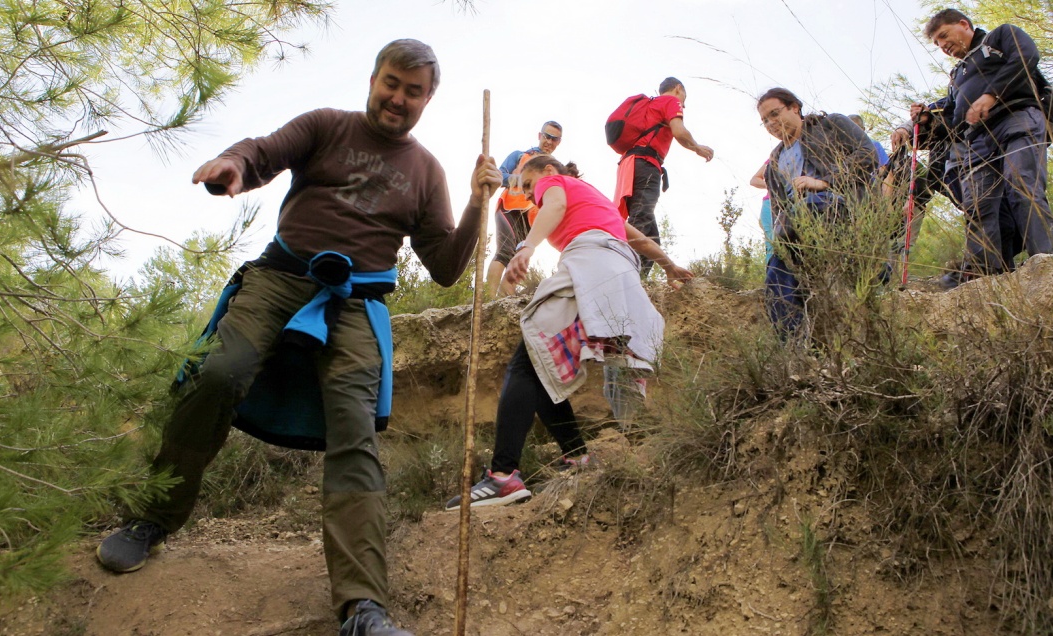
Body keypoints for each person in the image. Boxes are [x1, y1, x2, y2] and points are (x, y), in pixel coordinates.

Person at [95, 39, 502, 636]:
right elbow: (263, 151)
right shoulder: (326, 127)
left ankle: (363, 608)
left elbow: (443, 267)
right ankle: (153, 520)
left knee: (353, 427)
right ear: (373, 78)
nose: (399, 98)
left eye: (414, 91)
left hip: (357, 302)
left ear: (428, 99)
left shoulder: (426, 171)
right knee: (218, 373)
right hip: (280, 277)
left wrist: (475, 202)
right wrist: (234, 164)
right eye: (392, 82)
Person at [446, 156, 693, 509]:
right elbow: (637, 239)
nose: (533, 198)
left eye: (530, 187)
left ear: (548, 172)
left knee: (528, 357)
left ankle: (502, 477)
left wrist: (526, 247)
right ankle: (577, 457)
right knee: (544, 367)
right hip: (622, 281)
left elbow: (555, 204)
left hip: (590, 266)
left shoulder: (555, 183)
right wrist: (670, 267)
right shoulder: (597, 201)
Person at [903, 8, 1053, 289]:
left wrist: (991, 95)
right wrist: (927, 118)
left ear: (964, 24)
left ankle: (1047, 261)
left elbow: (1026, 57)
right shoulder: (957, 75)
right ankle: (985, 275)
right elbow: (952, 118)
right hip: (976, 140)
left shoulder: (1000, 37)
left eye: (944, 36)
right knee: (978, 205)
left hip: (1016, 116)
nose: (944, 47)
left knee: (1022, 184)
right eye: (938, 45)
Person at [756, 87, 879, 340]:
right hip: (796, 228)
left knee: (811, 204)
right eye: (765, 120)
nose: (770, 123)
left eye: (774, 113)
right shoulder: (775, 161)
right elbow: (779, 208)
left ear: (794, 108)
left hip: (839, 208)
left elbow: (868, 154)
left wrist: (825, 182)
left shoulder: (831, 125)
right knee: (775, 278)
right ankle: (796, 351)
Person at [613, 77, 715, 277]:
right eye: (684, 97)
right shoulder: (671, 101)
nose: (683, 104)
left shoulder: (651, 105)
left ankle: (638, 281)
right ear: (678, 89)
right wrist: (697, 148)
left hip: (630, 164)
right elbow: (679, 131)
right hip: (645, 164)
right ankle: (622, 276)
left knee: (650, 235)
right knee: (641, 219)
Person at [485, 121, 563, 297]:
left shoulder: (555, 167)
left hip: (532, 216)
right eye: (547, 136)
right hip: (509, 207)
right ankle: (488, 300)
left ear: (559, 142)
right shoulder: (520, 155)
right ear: (539, 135)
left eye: (554, 139)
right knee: (505, 251)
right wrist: (524, 181)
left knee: (519, 257)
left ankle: (507, 299)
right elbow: (500, 175)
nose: (549, 142)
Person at [750, 161, 774, 261]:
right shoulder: (776, 154)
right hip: (770, 204)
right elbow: (754, 180)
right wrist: (772, 185)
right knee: (772, 246)